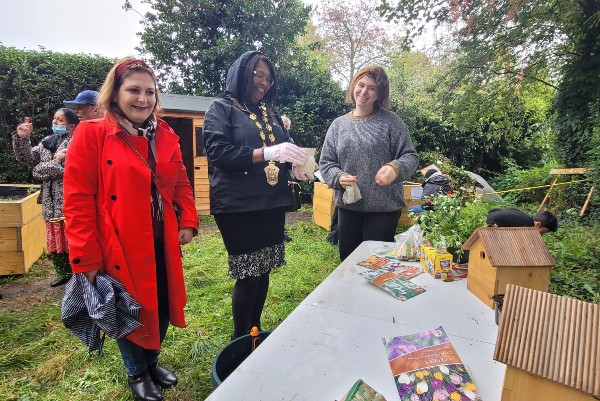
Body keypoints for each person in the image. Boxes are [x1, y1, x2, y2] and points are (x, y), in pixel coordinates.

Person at [63, 57, 198, 401]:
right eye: (133, 90)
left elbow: (181, 181)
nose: (143, 98)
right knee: (126, 308)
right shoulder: (92, 133)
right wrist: (86, 258)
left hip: (161, 239)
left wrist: (188, 220)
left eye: (150, 92)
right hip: (117, 244)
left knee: (162, 305)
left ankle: (151, 363)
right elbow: (78, 200)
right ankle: (137, 373)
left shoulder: (165, 133)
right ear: (115, 93)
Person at [203, 51, 311, 339]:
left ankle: (255, 330)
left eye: (267, 77)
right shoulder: (221, 108)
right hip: (238, 205)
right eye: (257, 74)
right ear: (241, 73)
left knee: (264, 270)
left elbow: (286, 147)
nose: (263, 82)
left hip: (271, 201)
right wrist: (265, 152)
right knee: (249, 273)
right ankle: (240, 339)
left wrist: (297, 163)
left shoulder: (269, 112)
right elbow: (218, 152)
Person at [319, 66, 419, 261]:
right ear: (353, 87)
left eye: (371, 88)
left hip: (383, 211)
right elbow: (326, 162)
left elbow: (410, 156)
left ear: (379, 94)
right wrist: (338, 177)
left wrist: (395, 168)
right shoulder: (338, 125)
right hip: (348, 208)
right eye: (361, 85)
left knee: (377, 267)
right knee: (348, 263)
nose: (364, 92)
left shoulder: (392, 122)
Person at [13, 108, 79, 287]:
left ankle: (78, 274)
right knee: (55, 237)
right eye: (55, 119)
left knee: (70, 239)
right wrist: (22, 138)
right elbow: (28, 159)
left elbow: (65, 168)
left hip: (67, 198)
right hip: (49, 201)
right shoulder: (47, 142)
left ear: (71, 126)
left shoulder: (76, 141)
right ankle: (63, 273)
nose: (55, 122)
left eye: (60, 120)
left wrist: (43, 169)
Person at [486, 208, 558, 234]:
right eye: (542, 232)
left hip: (488, 216)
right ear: (538, 224)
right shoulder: (527, 225)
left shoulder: (524, 217)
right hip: (491, 226)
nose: (541, 234)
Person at [281, 114, 293, 243]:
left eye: (285, 125)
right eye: (281, 124)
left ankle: (282, 232)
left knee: (282, 205)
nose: (283, 127)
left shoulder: (289, 140)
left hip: (284, 177)